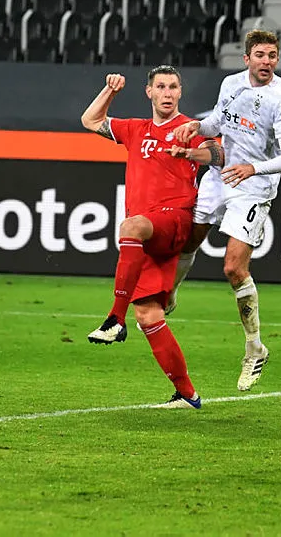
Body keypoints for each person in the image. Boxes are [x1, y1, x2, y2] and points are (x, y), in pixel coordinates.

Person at [81, 67, 220, 409]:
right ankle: (188, 394)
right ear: (149, 93)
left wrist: (192, 153)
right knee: (149, 316)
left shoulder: (188, 127)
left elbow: (218, 155)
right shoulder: (135, 129)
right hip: (151, 236)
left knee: (129, 227)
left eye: (173, 86)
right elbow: (89, 120)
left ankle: (114, 318)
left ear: (179, 93)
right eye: (161, 86)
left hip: (175, 220)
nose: (168, 92)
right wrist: (109, 90)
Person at [170, 30, 281, 392]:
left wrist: (252, 169)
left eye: (272, 55)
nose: (267, 62)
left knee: (233, 267)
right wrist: (197, 126)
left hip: (253, 186)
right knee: (189, 240)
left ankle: (255, 348)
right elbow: (217, 124)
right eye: (260, 55)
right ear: (247, 59)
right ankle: (171, 294)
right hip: (218, 175)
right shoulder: (230, 84)